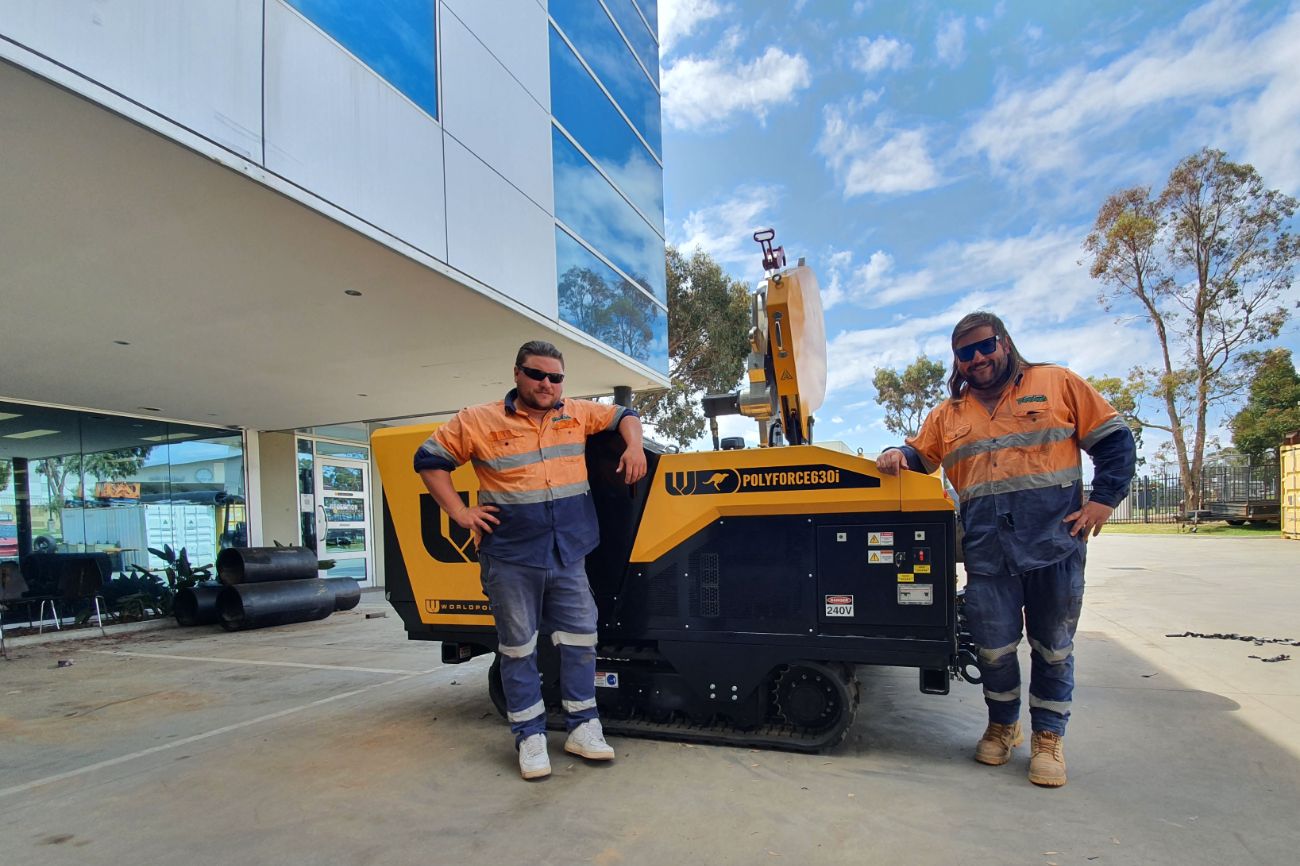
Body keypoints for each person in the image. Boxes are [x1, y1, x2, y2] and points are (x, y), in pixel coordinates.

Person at [876, 312, 1135, 788]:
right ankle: (1002, 726)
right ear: (957, 360)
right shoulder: (948, 415)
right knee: (994, 649)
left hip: (1053, 545)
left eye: (984, 346)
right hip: (988, 553)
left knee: (1053, 649)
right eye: (965, 352)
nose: (977, 358)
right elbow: (919, 455)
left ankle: (1049, 739)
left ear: (1004, 342)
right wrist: (898, 454)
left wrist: (1103, 501)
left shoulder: (1056, 384)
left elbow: (1115, 440)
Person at [414, 340, 647, 780]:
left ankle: (583, 728)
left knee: (582, 641)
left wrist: (633, 448)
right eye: (537, 375)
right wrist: (460, 513)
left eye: (555, 377)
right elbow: (429, 460)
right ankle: (530, 736)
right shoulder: (476, 420)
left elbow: (624, 416)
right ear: (517, 374)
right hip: (511, 557)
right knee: (519, 649)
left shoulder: (576, 412)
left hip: (569, 553)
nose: (546, 384)